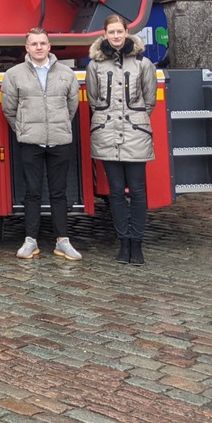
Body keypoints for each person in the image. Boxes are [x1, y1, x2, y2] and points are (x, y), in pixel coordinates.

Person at [2, 28, 81, 260]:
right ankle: (30, 241)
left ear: (49, 46)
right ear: (26, 48)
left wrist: (59, 126)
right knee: (32, 192)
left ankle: (63, 241)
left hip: (59, 141)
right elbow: (9, 108)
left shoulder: (66, 73)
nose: (39, 47)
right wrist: (24, 130)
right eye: (34, 44)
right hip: (30, 142)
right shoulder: (14, 74)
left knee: (59, 192)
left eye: (42, 43)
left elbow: (72, 106)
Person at [86, 15, 157, 266]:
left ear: (127, 32)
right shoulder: (95, 65)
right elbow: (94, 100)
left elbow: (150, 101)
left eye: (119, 31)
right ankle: (122, 241)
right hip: (106, 134)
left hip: (135, 134)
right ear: (104, 35)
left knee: (137, 191)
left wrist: (133, 120)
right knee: (115, 192)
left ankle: (136, 244)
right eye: (111, 32)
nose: (115, 36)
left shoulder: (143, 63)